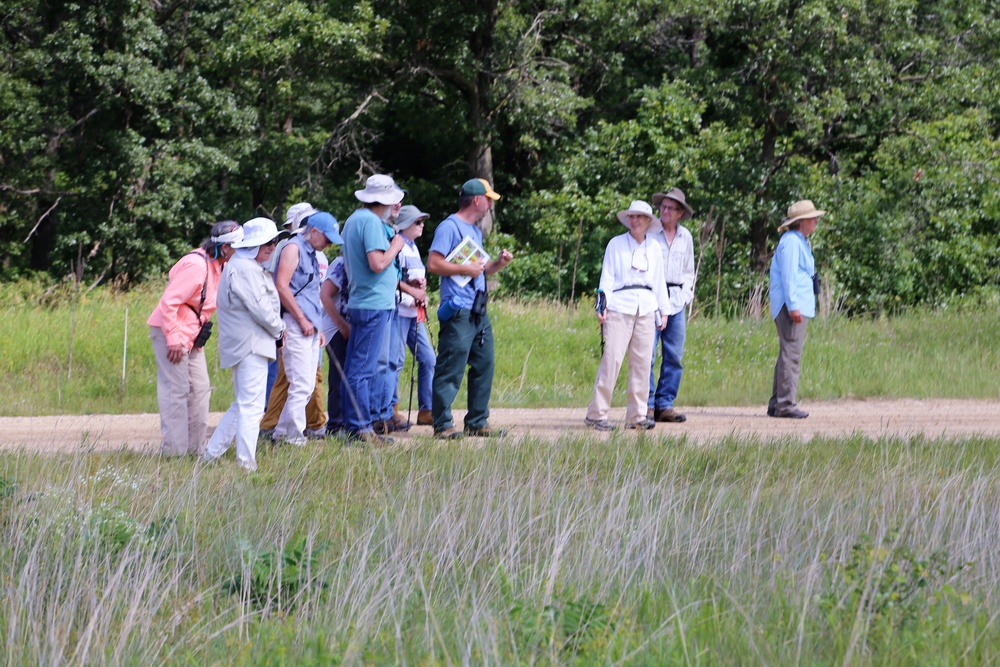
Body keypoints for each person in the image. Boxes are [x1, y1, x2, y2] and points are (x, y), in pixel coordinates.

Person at [427, 178, 514, 440]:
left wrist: (499, 263)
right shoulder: (449, 227)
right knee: (451, 366)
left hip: (478, 308)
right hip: (458, 309)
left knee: (484, 363)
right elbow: (433, 264)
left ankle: (477, 421)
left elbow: (482, 270)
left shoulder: (475, 232)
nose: (490, 204)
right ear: (476, 200)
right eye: (488, 200)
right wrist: (465, 268)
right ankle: (442, 424)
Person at [148, 220, 242, 457]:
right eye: (236, 247)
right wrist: (173, 338)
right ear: (224, 247)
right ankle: (175, 452)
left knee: (200, 389)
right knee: (176, 390)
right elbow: (169, 302)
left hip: (192, 336)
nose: (239, 251)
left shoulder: (220, 265)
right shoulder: (196, 265)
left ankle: (196, 450)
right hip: (171, 331)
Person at [202, 218, 288, 470]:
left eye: (275, 242)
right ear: (254, 244)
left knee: (242, 405)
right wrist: (280, 329)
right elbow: (261, 309)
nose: (274, 247)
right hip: (250, 345)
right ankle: (246, 463)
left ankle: (211, 455)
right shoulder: (245, 268)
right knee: (251, 407)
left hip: (247, 344)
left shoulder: (242, 265)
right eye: (269, 243)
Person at [585, 200, 669, 431]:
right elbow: (607, 277)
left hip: (646, 308)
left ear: (648, 221)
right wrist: (601, 305)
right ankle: (597, 413)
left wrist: (664, 310)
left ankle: (637, 415)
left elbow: (659, 281)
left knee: (643, 363)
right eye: (632, 217)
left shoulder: (654, 248)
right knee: (611, 360)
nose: (635, 221)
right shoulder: (616, 244)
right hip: (619, 306)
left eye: (639, 217)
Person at [340, 174, 407, 443]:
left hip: (363, 301)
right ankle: (361, 428)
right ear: (386, 200)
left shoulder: (356, 219)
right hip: (373, 303)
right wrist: (396, 245)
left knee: (357, 367)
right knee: (362, 370)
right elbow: (377, 263)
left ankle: (354, 425)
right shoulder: (370, 222)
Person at [261, 204, 334, 439]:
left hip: (310, 325)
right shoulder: (293, 248)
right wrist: (302, 319)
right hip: (295, 323)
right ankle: (292, 437)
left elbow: (312, 292)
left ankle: (282, 434)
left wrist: (318, 327)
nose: (329, 244)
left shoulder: (312, 252)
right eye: (327, 238)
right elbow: (281, 286)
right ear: (313, 231)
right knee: (301, 385)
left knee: (307, 385)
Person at [767, 199, 825, 419]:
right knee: (791, 355)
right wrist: (794, 306)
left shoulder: (797, 241)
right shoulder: (791, 242)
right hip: (791, 306)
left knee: (787, 354)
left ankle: (777, 403)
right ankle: (785, 404)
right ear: (802, 222)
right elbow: (789, 276)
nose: (816, 222)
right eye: (813, 218)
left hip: (795, 305)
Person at [647, 188, 696, 423]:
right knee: (648, 354)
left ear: (679, 213)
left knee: (674, 355)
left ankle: (664, 404)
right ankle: (646, 404)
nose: (664, 211)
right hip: (653, 300)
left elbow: (689, 269)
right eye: (663, 207)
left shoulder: (685, 236)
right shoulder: (650, 233)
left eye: (670, 208)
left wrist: (686, 294)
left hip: (676, 299)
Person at [390, 204, 436, 426]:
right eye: (418, 222)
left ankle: (426, 409)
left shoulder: (414, 248)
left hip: (414, 312)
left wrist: (420, 287)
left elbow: (411, 278)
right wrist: (412, 290)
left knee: (429, 359)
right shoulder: (396, 245)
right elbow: (393, 278)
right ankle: (391, 409)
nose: (422, 225)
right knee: (396, 361)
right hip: (399, 311)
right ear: (406, 224)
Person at [319, 249, 350, 436]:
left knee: (348, 376)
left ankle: (346, 422)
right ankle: (336, 425)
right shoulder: (340, 262)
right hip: (336, 329)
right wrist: (341, 324)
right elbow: (325, 295)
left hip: (348, 326)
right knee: (339, 377)